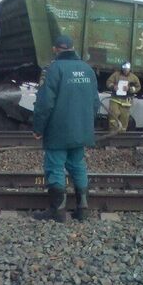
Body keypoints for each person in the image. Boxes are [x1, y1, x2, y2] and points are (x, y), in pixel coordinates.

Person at [33, 34, 100, 223]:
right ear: (72, 48)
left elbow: (45, 103)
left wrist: (38, 128)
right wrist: (85, 124)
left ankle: (58, 212)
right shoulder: (87, 70)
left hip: (58, 131)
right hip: (81, 130)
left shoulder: (54, 69)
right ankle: (83, 210)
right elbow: (95, 103)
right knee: (78, 165)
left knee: (55, 167)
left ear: (56, 49)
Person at [105, 61, 141, 132]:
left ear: (129, 69)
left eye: (127, 69)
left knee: (124, 117)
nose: (125, 70)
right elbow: (108, 82)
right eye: (124, 68)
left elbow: (138, 87)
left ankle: (122, 133)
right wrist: (113, 87)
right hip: (115, 99)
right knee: (114, 113)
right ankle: (113, 130)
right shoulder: (116, 75)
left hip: (126, 101)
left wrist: (130, 89)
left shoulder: (133, 78)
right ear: (122, 68)